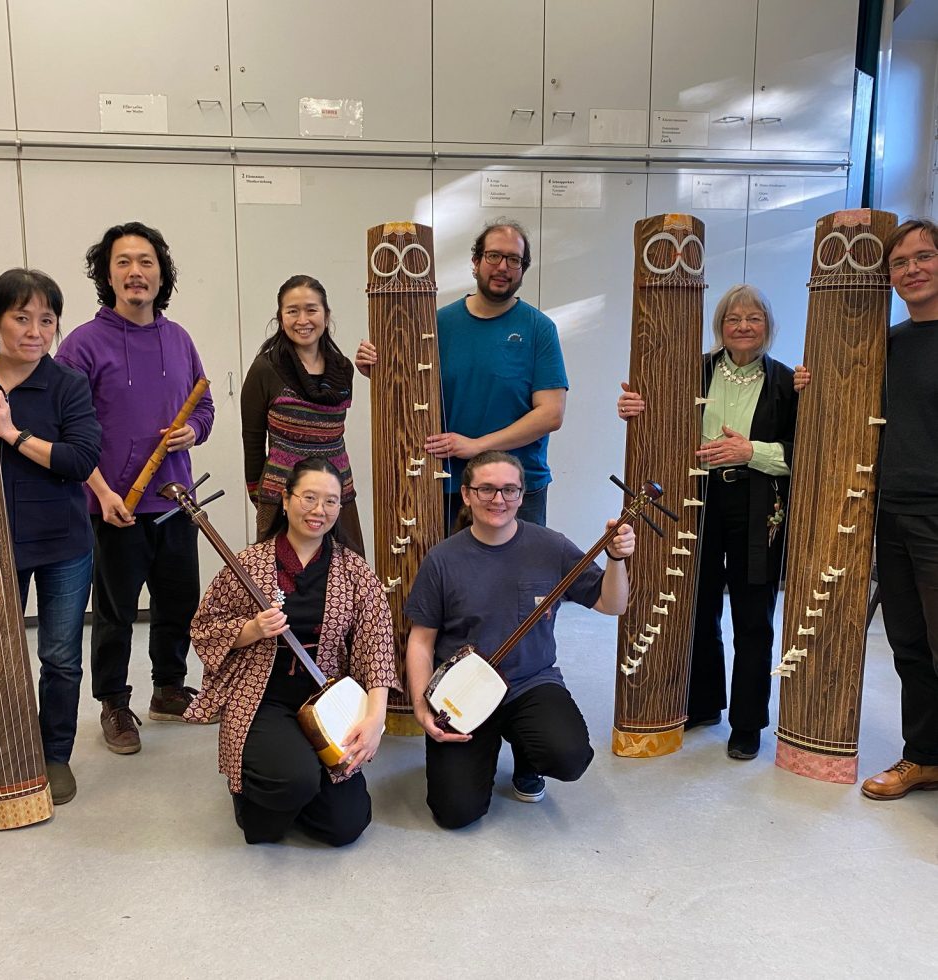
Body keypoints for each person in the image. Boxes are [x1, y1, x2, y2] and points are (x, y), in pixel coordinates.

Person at [403, 450, 634, 829]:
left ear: (522, 495)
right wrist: (420, 705)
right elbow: (421, 641)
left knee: (569, 757)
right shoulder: (443, 559)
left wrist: (616, 559)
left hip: (530, 682)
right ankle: (485, 747)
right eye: (486, 489)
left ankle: (528, 757)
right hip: (463, 692)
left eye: (509, 490)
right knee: (456, 812)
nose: (499, 499)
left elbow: (612, 604)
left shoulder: (551, 547)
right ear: (466, 495)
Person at [618, 284, 797, 761]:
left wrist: (750, 450)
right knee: (696, 604)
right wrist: (633, 409)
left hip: (758, 504)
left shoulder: (786, 382)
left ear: (768, 326)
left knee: (753, 615)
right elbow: (655, 418)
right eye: (733, 318)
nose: (743, 326)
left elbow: (804, 452)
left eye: (753, 318)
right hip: (696, 499)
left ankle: (747, 723)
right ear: (720, 326)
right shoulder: (689, 371)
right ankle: (703, 703)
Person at [56, 221, 215, 755]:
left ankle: (168, 689)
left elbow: (204, 405)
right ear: (107, 275)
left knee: (178, 602)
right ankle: (113, 702)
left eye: (146, 261)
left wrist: (194, 430)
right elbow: (65, 428)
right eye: (122, 262)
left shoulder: (179, 338)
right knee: (116, 612)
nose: (135, 272)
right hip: (114, 504)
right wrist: (101, 493)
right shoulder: (82, 344)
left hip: (175, 500)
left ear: (161, 274)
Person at [796, 218, 938, 800]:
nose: (911, 270)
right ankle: (924, 757)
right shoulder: (891, 343)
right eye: (899, 263)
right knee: (909, 644)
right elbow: (852, 405)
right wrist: (812, 382)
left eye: (924, 257)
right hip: (893, 511)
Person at [186, 458, 399, 845]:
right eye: (309, 497)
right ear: (285, 500)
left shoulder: (355, 571)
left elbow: (378, 645)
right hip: (263, 697)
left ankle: (296, 780)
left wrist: (375, 717)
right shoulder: (248, 564)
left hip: (325, 699)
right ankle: (265, 785)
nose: (319, 510)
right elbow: (204, 627)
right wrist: (252, 629)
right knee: (284, 795)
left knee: (344, 826)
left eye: (331, 501)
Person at [0, 269, 101, 805]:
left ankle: (54, 755)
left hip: (62, 545)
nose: (35, 332)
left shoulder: (67, 383)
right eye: (21, 318)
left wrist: (12, 434)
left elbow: (81, 459)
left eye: (46, 320)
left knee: (60, 658)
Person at [356, 219, 567, 531]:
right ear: (476, 261)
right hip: (451, 485)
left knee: (520, 565)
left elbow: (550, 414)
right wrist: (379, 372)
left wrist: (477, 445)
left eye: (514, 260)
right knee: (449, 565)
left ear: (523, 269)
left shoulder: (539, 329)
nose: (503, 267)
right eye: (494, 256)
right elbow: (415, 389)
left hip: (518, 489)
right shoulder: (437, 324)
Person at [241, 275, 363, 554]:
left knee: (346, 573)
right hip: (284, 500)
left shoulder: (343, 368)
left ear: (326, 315)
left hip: (338, 497)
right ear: (280, 317)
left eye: (311, 310)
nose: (302, 320)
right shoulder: (265, 369)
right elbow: (253, 442)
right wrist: (262, 499)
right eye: (292, 311)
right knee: (282, 576)